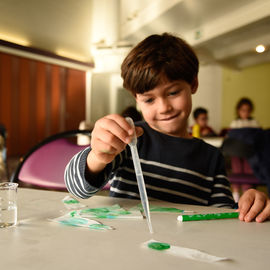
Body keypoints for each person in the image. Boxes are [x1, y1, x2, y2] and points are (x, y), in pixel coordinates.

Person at [65, 33, 270, 223]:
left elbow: (222, 216)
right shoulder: (129, 140)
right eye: (149, 99)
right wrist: (97, 156)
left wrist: (249, 206)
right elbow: (77, 189)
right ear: (137, 100)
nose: (164, 108)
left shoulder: (211, 157)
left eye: (173, 92)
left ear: (193, 83)